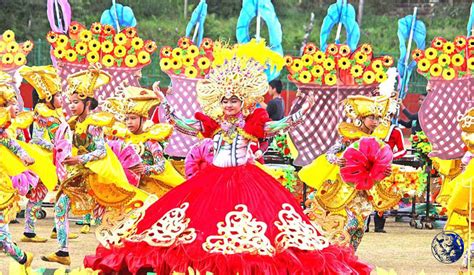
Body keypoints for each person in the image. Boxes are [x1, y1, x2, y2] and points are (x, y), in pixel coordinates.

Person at [84, 43, 371, 274]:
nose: (229, 105)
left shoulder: (253, 123)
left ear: (243, 101)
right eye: (225, 100)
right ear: (219, 102)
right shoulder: (213, 124)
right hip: (213, 179)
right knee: (194, 227)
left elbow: (277, 126)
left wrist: (302, 110)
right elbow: (184, 125)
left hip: (247, 181)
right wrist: (166, 104)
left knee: (258, 235)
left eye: (234, 100)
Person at [41, 64, 148, 265]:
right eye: (70, 102)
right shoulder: (74, 123)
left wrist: (79, 159)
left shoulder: (94, 124)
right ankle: (63, 252)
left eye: (76, 102)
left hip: (97, 175)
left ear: (88, 102)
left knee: (109, 215)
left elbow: (100, 151)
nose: (71, 106)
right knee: (61, 205)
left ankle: (119, 254)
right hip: (80, 173)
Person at [299, 95, 397, 250]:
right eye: (371, 117)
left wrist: (384, 171)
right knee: (347, 225)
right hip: (344, 187)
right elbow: (330, 153)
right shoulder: (349, 137)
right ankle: (339, 254)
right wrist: (336, 160)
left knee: (361, 227)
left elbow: (379, 165)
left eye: (378, 118)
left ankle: (351, 256)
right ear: (361, 118)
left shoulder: (377, 141)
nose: (376, 122)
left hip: (364, 190)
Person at [108, 84, 185, 197]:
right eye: (126, 119)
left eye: (133, 118)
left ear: (143, 119)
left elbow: (161, 165)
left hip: (149, 187)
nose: (129, 122)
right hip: (126, 185)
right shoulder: (122, 139)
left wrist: (146, 169)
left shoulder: (150, 141)